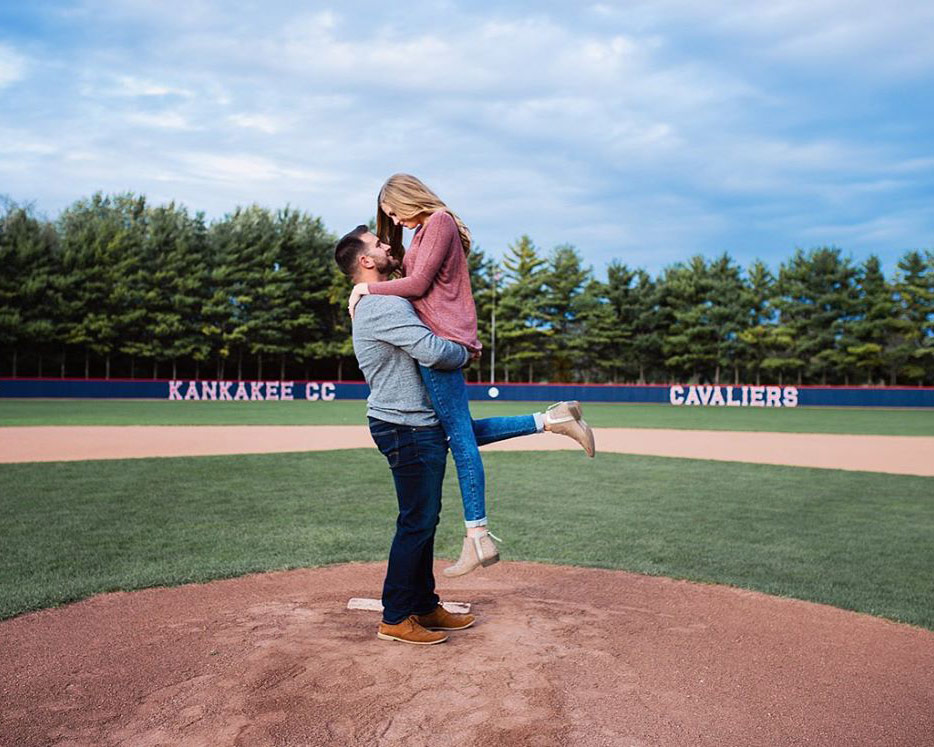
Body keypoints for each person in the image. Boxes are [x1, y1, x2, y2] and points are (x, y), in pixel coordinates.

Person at [335, 225, 593, 643]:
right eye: (378, 245)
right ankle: (396, 616)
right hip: (405, 427)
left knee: (423, 519)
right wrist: (466, 350)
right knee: (415, 523)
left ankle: (422, 605)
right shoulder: (384, 307)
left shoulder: (386, 300)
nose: (388, 246)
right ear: (366, 261)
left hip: (414, 423)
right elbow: (435, 352)